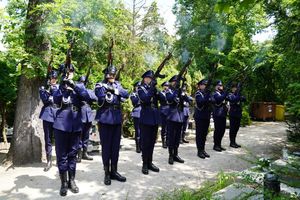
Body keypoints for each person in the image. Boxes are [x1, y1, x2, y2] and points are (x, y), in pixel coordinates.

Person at [95, 65, 129, 185]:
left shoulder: (117, 85)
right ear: (106, 74)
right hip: (105, 118)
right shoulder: (100, 85)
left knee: (115, 147)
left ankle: (114, 171)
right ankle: (107, 173)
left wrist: (115, 90)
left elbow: (126, 94)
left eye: (114, 74)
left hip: (116, 119)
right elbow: (99, 95)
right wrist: (107, 87)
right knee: (106, 147)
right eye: (110, 74)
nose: (112, 76)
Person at [52, 67, 83, 196]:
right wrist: (62, 85)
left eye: (71, 72)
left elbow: (86, 97)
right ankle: (64, 183)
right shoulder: (59, 87)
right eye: (67, 72)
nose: (69, 74)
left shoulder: (78, 86)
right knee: (62, 155)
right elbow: (56, 100)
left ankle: (72, 180)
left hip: (75, 125)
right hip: (61, 125)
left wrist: (73, 86)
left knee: (73, 154)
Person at [137, 70, 160, 175]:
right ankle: (145, 163)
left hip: (154, 118)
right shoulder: (140, 88)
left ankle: (150, 162)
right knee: (145, 142)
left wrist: (156, 89)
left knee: (152, 142)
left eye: (151, 79)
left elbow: (163, 99)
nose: (150, 80)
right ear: (144, 79)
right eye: (148, 78)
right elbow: (145, 99)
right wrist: (151, 89)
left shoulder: (153, 89)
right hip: (146, 118)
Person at [166, 75, 189, 165]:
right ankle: (170, 155)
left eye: (177, 81)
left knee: (177, 137)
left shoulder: (179, 91)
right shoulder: (169, 91)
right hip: (172, 117)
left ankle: (176, 154)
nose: (176, 83)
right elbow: (170, 99)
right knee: (171, 137)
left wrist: (182, 93)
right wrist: (176, 91)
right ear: (171, 82)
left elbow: (187, 100)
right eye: (174, 81)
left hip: (180, 117)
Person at [39, 70, 59, 172]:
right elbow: (45, 100)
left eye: (54, 78)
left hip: (58, 115)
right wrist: (44, 90)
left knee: (59, 138)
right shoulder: (44, 88)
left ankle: (60, 159)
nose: (53, 80)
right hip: (47, 114)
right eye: (51, 78)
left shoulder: (60, 88)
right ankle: (49, 161)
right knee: (48, 139)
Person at [76, 76, 98, 162]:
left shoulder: (89, 91)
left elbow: (95, 98)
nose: (82, 83)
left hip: (88, 115)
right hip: (80, 114)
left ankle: (85, 153)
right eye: (81, 82)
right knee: (79, 135)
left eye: (84, 82)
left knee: (86, 135)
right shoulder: (77, 90)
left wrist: (87, 95)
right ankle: (79, 154)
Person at [194, 79, 212, 159]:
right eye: (203, 85)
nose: (204, 86)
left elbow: (212, 101)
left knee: (204, 134)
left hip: (206, 116)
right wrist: (207, 94)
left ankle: (203, 149)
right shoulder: (198, 93)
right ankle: (199, 151)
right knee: (199, 134)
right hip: (199, 117)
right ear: (200, 86)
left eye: (205, 85)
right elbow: (201, 102)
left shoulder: (206, 93)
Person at [227, 82, 246, 148]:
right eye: (234, 87)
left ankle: (234, 141)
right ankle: (231, 142)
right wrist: (238, 95)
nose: (235, 89)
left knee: (236, 128)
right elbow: (234, 100)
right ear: (232, 88)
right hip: (233, 114)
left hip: (238, 113)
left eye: (236, 88)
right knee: (232, 128)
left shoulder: (238, 94)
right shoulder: (230, 94)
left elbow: (244, 99)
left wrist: (240, 95)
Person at [212, 80, 228, 152]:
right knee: (218, 130)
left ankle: (219, 144)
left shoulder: (222, 93)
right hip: (217, 114)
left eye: (221, 85)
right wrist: (225, 92)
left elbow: (228, 98)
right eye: (219, 85)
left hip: (223, 114)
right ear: (216, 86)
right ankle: (216, 145)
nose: (220, 86)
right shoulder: (215, 93)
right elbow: (219, 99)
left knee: (222, 130)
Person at [130, 81, 142, 153]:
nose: (138, 88)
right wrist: (139, 94)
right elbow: (135, 102)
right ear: (135, 87)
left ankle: (142, 145)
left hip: (144, 113)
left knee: (143, 131)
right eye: (137, 86)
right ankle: (138, 146)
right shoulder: (133, 94)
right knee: (138, 131)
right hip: (137, 113)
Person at [158, 81, 170, 148]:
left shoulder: (170, 93)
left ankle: (168, 141)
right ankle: (164, 142)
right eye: (165, 86)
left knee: (169, 127)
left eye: (167, 86)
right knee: (164, 127)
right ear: (163, 86)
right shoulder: (161, 93)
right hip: (163, 110)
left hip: (170, 111)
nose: (166, 87)